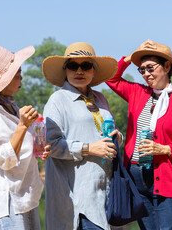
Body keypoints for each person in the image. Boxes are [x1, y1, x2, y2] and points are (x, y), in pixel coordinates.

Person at [106, 39, 172, 230]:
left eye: (150, 68)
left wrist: (164, 149)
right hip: (136, 181)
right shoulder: (137, 93)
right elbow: (111, 78)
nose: (146, 74)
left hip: (165, 180)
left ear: (167, 66)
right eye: (141, 70)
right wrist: (131, 56)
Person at [42, 42, 123, 230]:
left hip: (106, 195)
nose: (79, 70)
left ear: (93, 71)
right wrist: (89, 148)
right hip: (77, 200)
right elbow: (52, 144)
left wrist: (117, 136)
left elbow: (110, 132)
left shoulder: (101, 99)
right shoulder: (57, 100)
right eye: (73, 66)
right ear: (65, 70)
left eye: (85, 65)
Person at [0, 46, 50, 230]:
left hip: (22, 196)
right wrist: (22, 126)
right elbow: (4, 159)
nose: (21, 78)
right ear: (3, 82)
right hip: (6, 200)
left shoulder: (9, 109)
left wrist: (37, 150)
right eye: (17, 74)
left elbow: (17, 147)